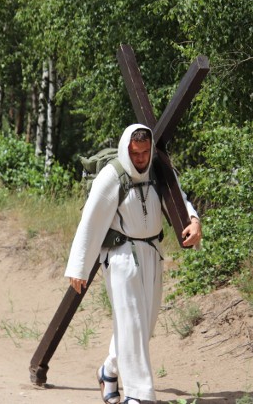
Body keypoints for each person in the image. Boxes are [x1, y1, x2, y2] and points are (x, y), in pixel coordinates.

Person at [65, 124, 202, 404]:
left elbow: (180, 200)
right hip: (121, 257)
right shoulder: (111, 177)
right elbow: (89, 223)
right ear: (126, 149)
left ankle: (108, 371)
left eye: (145, 152)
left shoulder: (159, 171)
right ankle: (140, 396)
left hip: (153, 252)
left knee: (144, 325)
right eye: (135, 153)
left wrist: (195, 221)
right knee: (132, 323)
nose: (140, 158)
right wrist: (78, 268)